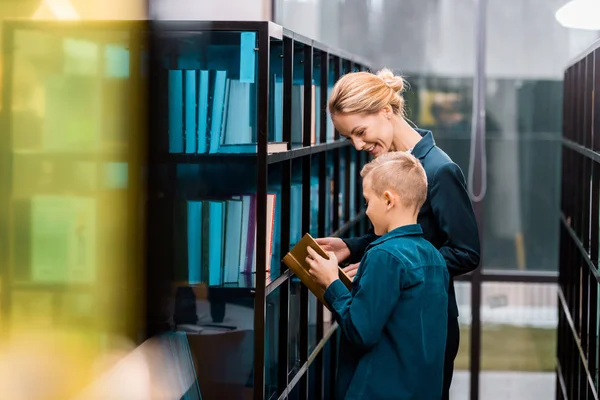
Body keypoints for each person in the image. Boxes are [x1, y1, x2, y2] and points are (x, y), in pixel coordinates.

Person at [316, 68, 480, 399]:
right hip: (385, 317)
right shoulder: (389, 163)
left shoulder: (440, 170)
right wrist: (353, 246)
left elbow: (466, 252)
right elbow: (410, 234)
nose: (358, 145)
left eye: (360, 132)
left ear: (386, 112)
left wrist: (390, 270)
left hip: (423, 325)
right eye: (350, 138)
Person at [306, 151, 449, 400]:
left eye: (367, 201)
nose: (367, 211)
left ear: (388, 200)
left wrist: (331, 283)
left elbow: (361, 331)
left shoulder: (384, 255)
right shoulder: (435, 257)